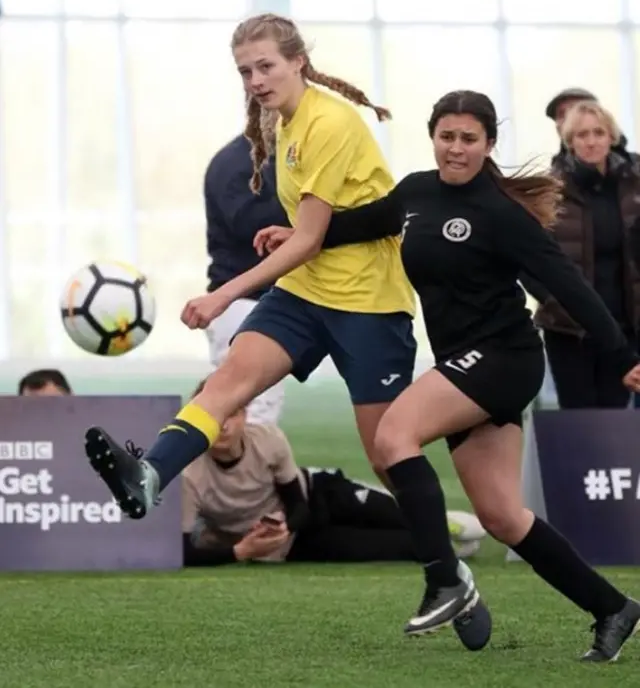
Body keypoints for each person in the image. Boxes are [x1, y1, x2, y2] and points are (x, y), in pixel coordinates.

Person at [81, 14, 491, 650]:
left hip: (366, 304)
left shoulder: (328, 120)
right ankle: (149, 476)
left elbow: (310, 238)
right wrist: (290, 236)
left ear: (299, 60)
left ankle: (447, 575)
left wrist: (223, 293)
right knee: (226, 385)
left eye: (265, 66)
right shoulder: (288, 126)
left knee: (389, 453)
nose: (255, 80)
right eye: (245, 71)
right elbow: (310, 230)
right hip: (305, 294)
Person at [261, 89, 640, 662]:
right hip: (463, 364)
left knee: (392, 437)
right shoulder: (415, 193)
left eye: (469, 139)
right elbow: (361, 224)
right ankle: (613, 608)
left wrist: (624, 358)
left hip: (506, 359)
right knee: (501, 517)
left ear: (488, 145)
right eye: (447, 136)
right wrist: (299, 236)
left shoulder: (503, 214)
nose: (455, 148)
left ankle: (445, 579)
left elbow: (570, 288)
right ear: (433, 136)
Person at [182, 394, 486, 567]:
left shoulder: (267, 439)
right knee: (394, 547)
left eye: (229, 415)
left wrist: (284, 524)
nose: (221, 425)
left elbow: (297, 502)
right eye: (211, 417)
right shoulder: (189, 475)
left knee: (393, 513)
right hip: (294, 546)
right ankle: (450, 549)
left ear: (244, 415)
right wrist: (243, 551)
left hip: (317, 494)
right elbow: (179, 550)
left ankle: (440, 521)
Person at [524, 100, 640, 408]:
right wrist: (552, 299)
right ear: (569, 141)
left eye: (598, 133)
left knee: (615, 420)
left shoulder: (633, 183)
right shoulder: (549, 188)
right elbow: (525, 256)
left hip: (623, 327)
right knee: (578, 421)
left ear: (611, 137)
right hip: (568, 328)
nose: (591, 141)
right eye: (582, 135)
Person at [203, 129, 290, 425]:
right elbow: (251, 228)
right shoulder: (236, 164)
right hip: (243, 305)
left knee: (251, 413)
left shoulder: (280, 160)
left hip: (261, 303)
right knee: (251, 416)